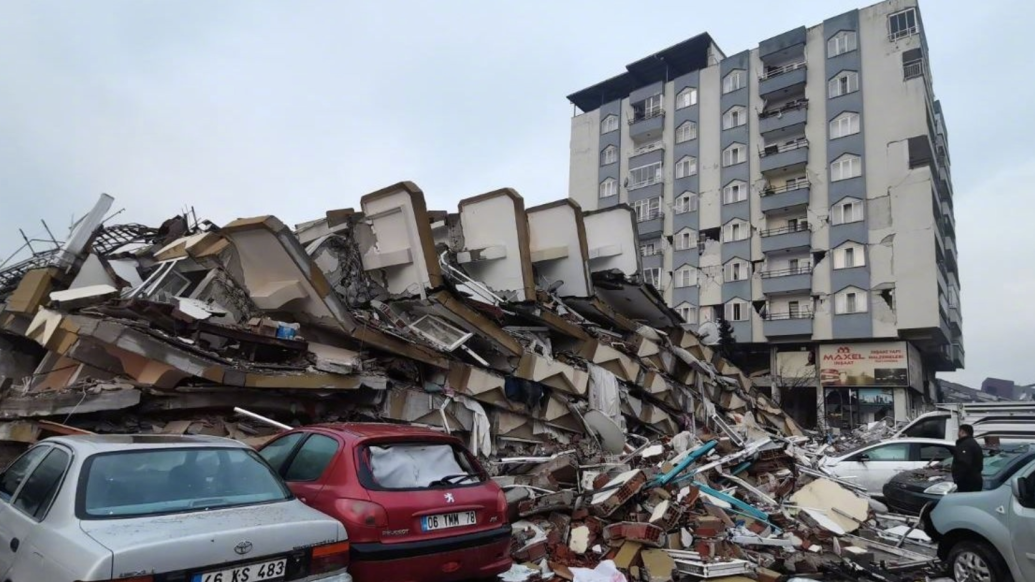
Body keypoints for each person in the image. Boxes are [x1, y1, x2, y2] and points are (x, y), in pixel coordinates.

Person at [952, 424, 984, 493]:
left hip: (967, 482)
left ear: (962, 432)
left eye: (959, 431)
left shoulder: (965, 445)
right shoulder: (973, 443)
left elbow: (963, 463)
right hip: (975, 480)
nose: (958, 434)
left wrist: (957, 479)